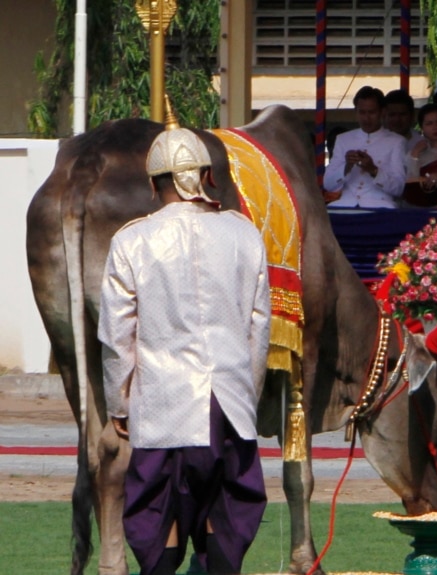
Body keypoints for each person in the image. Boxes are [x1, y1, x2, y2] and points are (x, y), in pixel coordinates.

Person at [99, 122, 270, 575]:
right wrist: (245, 396)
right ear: (206, 177)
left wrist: (119, 402)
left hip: (161, 404)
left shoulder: (131, 240)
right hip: (228, 405)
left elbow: (117, 336)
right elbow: (260, 329)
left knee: (158, 514)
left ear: (155, 185)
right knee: (224, 513)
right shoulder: (244, 235)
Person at [324, 86, 406, 208]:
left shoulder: (396, 142)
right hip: (346, 205)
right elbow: (327, 184)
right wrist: (346, 167)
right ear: (355, 112)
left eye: (371, 112)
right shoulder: (343, 139)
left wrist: (373, 170)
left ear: (382, 112)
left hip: (381, 206)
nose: (366, 118)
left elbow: (399, 188)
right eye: (362, 112)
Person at [384, 89, 424, 153]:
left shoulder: (422, 144)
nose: (397, 119)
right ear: (384, 115)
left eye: (402, 114)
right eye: (392, 115)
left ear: (412, 116)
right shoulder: (374, 142)